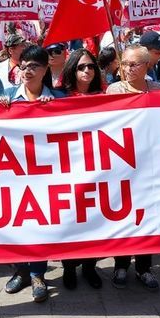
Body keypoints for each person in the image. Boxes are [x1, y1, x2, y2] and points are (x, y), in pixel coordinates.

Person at [0, 45, 65, 303]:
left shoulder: (57, 98)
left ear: (46, 69)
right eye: (24, 65)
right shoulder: (6, 97)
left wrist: (55, 108)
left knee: (39, 223)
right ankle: (21, 270)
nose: (27, 71)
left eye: (34, 66)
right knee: (16, 222)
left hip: (45, 174)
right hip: (13, 173)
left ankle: (38, 273)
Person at [107, 46, 160, 291]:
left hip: (150, 166)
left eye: (134, 64)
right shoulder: (114, 90)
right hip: (123, 164)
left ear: (147, 66)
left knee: (147, 217)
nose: (128, 68)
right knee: (125, 216)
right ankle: (121, 264)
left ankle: (144, 268)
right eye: (125, 63)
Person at [57, 48, 104, 289]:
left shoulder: (104, 96)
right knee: (72, 220)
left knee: (93, 220)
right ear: (72, 70)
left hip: (97, 168)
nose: (87, 71)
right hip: (69, 168)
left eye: (91, 66)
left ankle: (89, 266)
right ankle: (68, 268)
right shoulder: (60, 97)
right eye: (81, 67)